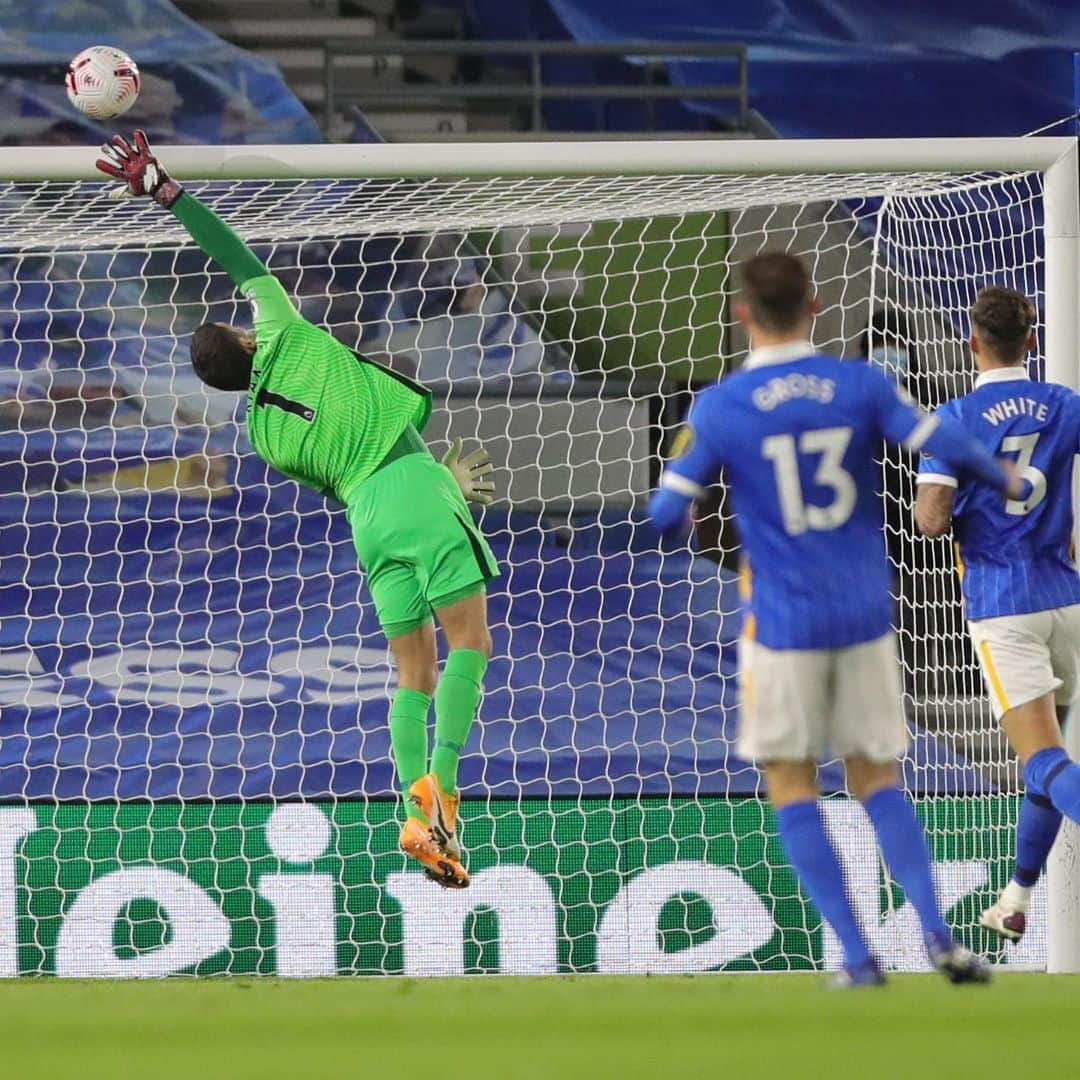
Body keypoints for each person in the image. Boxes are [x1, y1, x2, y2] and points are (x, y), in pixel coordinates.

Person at [96, 131, 498, 890]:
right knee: (469, 643)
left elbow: (348, 474)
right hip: (410, 483)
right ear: (245, 336)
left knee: (412, 672)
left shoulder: (263, 436)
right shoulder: (284, 326)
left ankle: (414, 815)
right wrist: (167, 191)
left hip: (368, 521)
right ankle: (442, 785)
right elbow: (235, 254)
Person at [647, 252, 1025, 986]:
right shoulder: (861, 386)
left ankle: (857, 956)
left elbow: (667, 513)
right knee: (878, 777)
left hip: (782, 626)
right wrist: (1000, 472)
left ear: (743, 314)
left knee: (791, 782)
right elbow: (942, 441)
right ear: (815, 306)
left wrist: (686, 489)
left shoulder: (721, 406)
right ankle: (940, 938)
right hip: (863, 617)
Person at [916, 286, 1080, 944]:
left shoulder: (952, 419)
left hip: (1003, 605)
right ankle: (1017, 897)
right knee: (1049, 760)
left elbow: (929, 521)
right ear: (1031, 341)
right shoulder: (1064, 404)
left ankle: (1018, 895)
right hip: (1067, 599)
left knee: (1041, 760)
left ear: (972, 343)